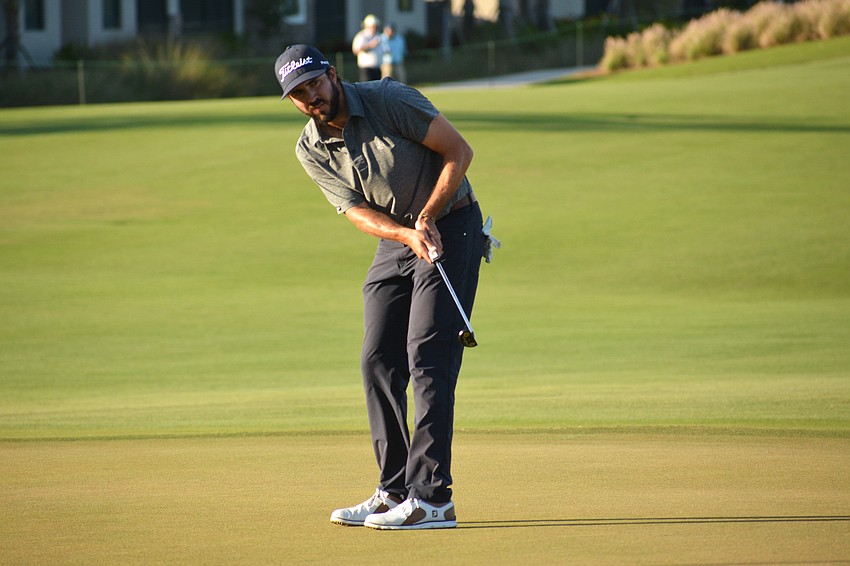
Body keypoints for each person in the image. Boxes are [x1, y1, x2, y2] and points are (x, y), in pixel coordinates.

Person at [274, 44, 486, 530]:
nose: (311, 97)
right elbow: (355, 210)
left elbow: (459, 151)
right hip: (397, 237)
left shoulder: (389, 98)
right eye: (298, 94)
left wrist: (427, 216)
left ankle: (433, 499)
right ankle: (394, 491)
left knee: (427, 354)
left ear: (332, 73)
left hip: (450, 224)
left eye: (314, 84)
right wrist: (405, 233)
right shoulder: (309, 147)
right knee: (377, 358)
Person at [351, 14, 384, 82]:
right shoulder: (361, 36)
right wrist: (369, 46)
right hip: (366, 69)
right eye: (373, 26)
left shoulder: (378, 35)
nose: (375, 28)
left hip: (377, 68)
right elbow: (355, 50)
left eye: (375, 26)